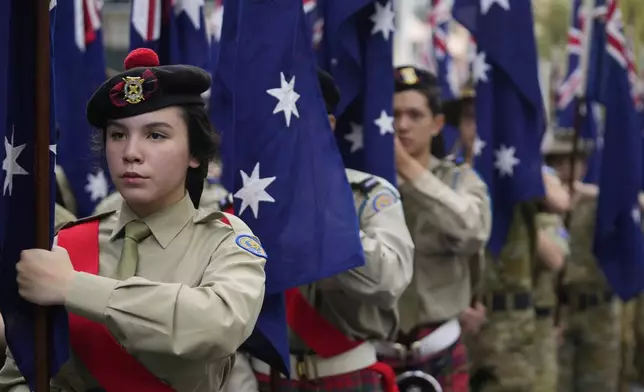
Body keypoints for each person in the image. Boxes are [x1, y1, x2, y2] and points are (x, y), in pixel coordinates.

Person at [0, 48, 267, 392]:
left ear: (196, 154)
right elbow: (19, 375)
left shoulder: (223, 242)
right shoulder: (67, 243)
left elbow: (217, 325)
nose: (130, 152)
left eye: (156, 135)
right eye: (118, 135)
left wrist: (73, 287)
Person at [224, 69, 415, 392]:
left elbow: (390, 281)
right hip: (260, 378)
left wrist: (315, 211)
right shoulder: (242, 203)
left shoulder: (365, 195)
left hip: (346, 374)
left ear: (327, 126)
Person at [377, 66, 492, 392]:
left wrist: (409, 171)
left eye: (415, 115)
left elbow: (473, 230)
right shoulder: (364, 184)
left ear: (437, 124)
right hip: (376, 352)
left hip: (439, 347)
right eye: (394, 114)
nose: (402, 125)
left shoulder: (460, 180)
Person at [542, 129, 622, 392]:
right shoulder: (544, 206)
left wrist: (595, 194)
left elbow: (635, 207)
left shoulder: (600, 202)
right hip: (561, 311)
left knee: (598, 385)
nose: (565, 169)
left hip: (598, 311)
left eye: (572, 161)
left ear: (584, 164)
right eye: (558, 162)